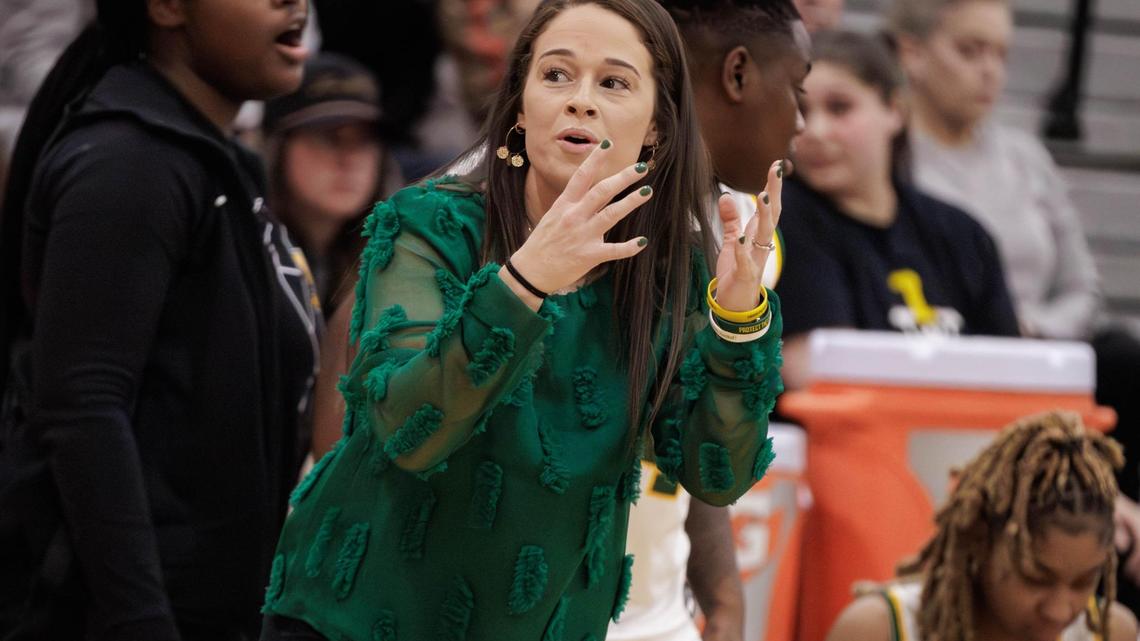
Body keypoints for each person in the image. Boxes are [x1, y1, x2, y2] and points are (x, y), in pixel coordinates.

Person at [258, 1, 787, 639]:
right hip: (359, 620)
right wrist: (525, 281)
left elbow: (716, 473)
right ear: (519, 107)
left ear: (658, 127)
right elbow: (410, 431)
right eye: (556, 75)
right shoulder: (430, 226)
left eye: (613, 82)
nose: (580, 101)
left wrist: (737, 319)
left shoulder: (672, 271)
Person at [0, 0, 319, 639]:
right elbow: (82, 409)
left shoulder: (221, 163)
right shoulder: (130, 163)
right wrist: (141, 621)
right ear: (168, 7)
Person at [602, 2, 810, 640]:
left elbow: (689, 426)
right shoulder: (516, 202)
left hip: (657, 615)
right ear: (738, 73)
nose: (802, 122)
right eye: (798, 89)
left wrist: (722, 600)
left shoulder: (744, 232)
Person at [774, 30, 1019, 390]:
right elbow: (823, 384)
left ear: (895, 110)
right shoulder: (781, 223)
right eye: (801, 112)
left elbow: (1015, 377)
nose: (815, 131)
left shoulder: (963, 234)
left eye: (839, 107)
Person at [824, 410, 1140, 641]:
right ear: (980, 540)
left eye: (1083, 582)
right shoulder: (878, 629)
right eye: (1036, 579)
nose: (1059, 610)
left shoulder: (1109, 632)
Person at [262, 52, 405, 317]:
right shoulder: (248, 256)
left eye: (365, 139)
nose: (349, 159)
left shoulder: (395, 263)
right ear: (278, 149)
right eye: (329, 137)